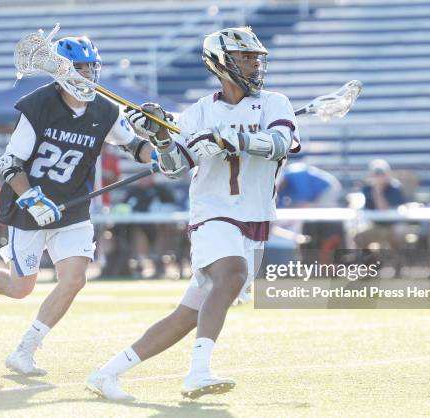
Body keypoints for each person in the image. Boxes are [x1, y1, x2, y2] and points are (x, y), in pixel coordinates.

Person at [0, 36, 181, 376]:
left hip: (72, 207)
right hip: (29, 205)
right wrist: (33, 199)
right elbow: (10, 165)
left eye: (91, 68)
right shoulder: (38, 105)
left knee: (74, 278)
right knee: (20, 287)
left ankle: (25, 350)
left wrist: (161, 153)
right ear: (63, 70)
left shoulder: (105, 109)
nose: (87, 75)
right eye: (79, 68)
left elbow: (134, 146)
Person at [85, 27, 300, 400]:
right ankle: (198, 372)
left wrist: (231, 139)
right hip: (214, 214)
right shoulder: (197, 113)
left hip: (256, 220)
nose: (254, 65)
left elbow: (283, 143)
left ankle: (107, 373)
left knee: (188, 314)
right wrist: (162, 138)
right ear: (221, 63)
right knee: (232, 273)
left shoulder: (275, 102)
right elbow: (173, 167)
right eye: (246, 58)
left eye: (256, 58)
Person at [353, 159, 407, 252]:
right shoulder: (367, 189)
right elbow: (364, 209)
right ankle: (372, 260)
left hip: (393, 226)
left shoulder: (395, 188)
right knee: (358, 237)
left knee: (399, 234)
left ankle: (398, 262)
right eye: (376, 174)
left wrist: (378, 191)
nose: (379, 177)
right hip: (375, 225)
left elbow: (383, 209)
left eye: (382, 173)